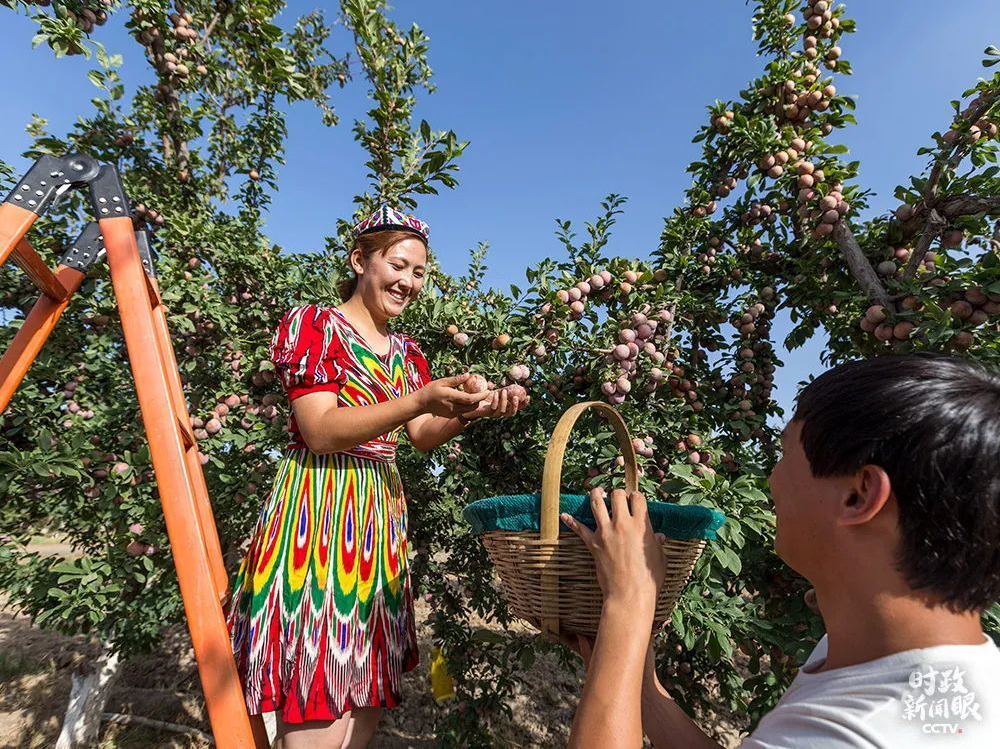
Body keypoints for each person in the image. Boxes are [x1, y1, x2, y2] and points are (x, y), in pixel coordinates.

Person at [560, 353, 1000, 748]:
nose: (771, 478)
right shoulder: (894, 661)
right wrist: (640, 687)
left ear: (858, 495)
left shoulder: (856, 731)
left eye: (786, 454)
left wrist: (630, 603)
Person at [226, 205, 529, 748]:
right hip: (319, 513)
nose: (409, 282)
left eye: (419, 273)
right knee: (318, 684)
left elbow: (420, 435)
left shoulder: (408, 352)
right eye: (398, 265)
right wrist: (419, 398)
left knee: (363, 683)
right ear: (359, 260)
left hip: (376, 524)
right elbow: (319, 430)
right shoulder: (315, 325)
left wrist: (472, 410)